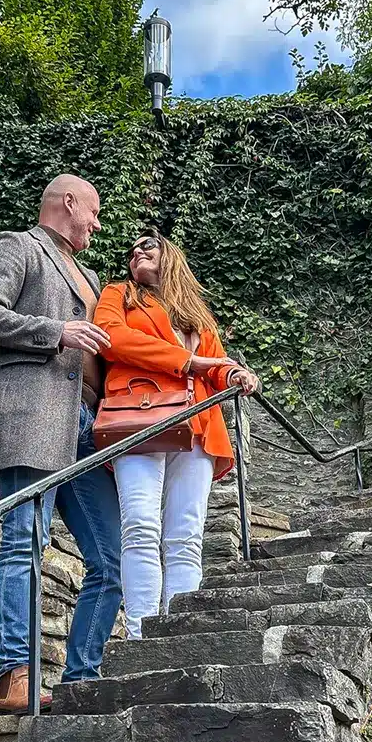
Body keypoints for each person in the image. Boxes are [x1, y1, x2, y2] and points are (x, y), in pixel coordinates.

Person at [0, 174, 123, 713]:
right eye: (94, 213)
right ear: (69, 202)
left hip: (86, 427)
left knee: (110, 560)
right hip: (33, 416)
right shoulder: (18, 245)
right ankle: (16, 677)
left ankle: (79, 679)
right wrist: (56, 331)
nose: (97, 226)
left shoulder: (93, 278)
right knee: (24, 542)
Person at [93, 229, 259, 638]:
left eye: (147, 245)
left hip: (200, 425)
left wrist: (232, 371)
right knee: (140, 526)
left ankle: (180, 631)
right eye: (131, 250)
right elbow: (113, 338)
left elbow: (214, 363)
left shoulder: (197, 314)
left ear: (170, 257)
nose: (136, 252)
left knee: (187, 533)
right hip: (140, 415)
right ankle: (140, 633)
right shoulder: (119, 294)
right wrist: (188, 361)